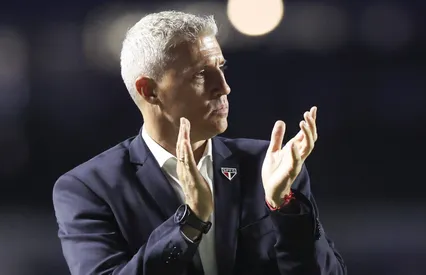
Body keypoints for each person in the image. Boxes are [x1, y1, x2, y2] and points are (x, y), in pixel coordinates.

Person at [52, 10, 347, 275]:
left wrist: (284, 207)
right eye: (200, 74)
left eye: (221, 67)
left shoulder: (267, 165)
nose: (224, 86)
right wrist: (190, 222)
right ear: (150, 90)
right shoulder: (87, 188)